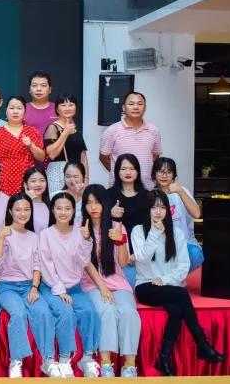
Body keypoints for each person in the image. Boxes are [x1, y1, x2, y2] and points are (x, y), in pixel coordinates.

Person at [131, 190, 223, 376]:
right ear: (147, 210)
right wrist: (154, 233)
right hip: (146, 286)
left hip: (169, 285)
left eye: (162, 207)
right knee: (181, 295)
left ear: (168, 210)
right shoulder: (138, 231)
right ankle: (202, 344)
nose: (158, 212)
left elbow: (183, 266)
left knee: (176, 309)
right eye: (154, 207)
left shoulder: (177, 233)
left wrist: (165, 280)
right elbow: (141, 258)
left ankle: (163, 359)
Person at [0, 193, 55, 378]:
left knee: (43, 311)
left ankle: (48, 360)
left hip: (28, 285)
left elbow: (37, 265)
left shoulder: (34, 237)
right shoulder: (2, 233)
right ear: (10, 211)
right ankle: (16, 361)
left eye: (27, 209)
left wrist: (34, 288)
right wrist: (1, 238)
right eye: (18, 209)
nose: (23, 213)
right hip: (6, 286)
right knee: (18, 313)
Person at [80, 184, 139, 378]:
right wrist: (84, 240)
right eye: (89, 203)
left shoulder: (117, 227)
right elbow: (82, 263)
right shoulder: (81, 228)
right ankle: (106, 364)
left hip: (118, 283)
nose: (93, 207)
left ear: (105, 203)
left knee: (129, 312)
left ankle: (129, 366)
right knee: (107, 310)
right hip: (91, 284)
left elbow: (122, 262)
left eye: (97, 202)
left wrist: (120, 241)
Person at [38, 192, 100, 378]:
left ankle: (87, 357)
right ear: (52, 210)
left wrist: (87, 241)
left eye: (67, 208)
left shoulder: (80, 231)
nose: (63, 212)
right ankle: (65, 360)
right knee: (65, 313)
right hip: (51, 287)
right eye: (59, 208)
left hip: (75, 287)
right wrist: (59, 290)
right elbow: (46, 265)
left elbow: (84, 261)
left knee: (89, 311)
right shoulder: (46, 234)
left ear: (74, 211)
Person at [99, 92, 162, 190]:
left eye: (140, 104)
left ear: (145, 107)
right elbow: (104, 157)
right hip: (119, 189)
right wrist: (119, 173)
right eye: (131, 104)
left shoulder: (153, 131)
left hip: (146, 188)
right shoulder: (112, 131)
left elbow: (155, 156)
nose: (136, 107)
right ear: (124, 107)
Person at [152, 157, 203, 272]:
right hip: (161, 245)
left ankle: (176, 277)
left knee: (195, 254)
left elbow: (197, 214)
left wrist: (180, 191)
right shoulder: (151, 195)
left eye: (169, 172)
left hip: (185, 243)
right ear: (154, 174)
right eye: (161, 171)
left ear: (174, 176)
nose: (164, 175)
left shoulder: (181, 191)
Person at [0, 96, 45, 196]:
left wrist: (31, 145)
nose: (15, 111)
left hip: (27, 178)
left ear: (25, 111)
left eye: (19, 108)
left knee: (26, 204)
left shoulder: (32, 131)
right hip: (4, 179)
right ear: (6, 110)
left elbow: (42, 157)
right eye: (12, 108)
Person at [108, 154, 148, 286]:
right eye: (123, 169)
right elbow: (98, 224)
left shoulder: (147, 196)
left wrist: (139, 254)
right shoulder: (108, 195)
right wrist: (109, 213)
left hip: (142, 254)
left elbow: (151, 228)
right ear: (117, 171)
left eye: (132, 168)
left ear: (138, 171)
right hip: (117, 255)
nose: (128, 172)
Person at [44, 93, 88, 194]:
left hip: (76, 173)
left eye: (71, 105)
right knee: (59, 201)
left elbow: (83, 158)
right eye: (63, 105)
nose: (67, 108)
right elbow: (52, 154)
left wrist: (86, 178)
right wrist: (65, 133)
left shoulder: (76, 129)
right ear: (57, 109)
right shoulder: (53, 128)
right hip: (58, 172)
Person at [24, 71, 57, 139]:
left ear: (50, 89)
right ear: (29, 89)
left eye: (43, 85)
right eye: (34, 85)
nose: (38, 89)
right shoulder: (22, 109)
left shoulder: (59, 108)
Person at [22, 167, 51, 233]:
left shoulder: (51, 205)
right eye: (33, 181)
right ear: (25, 184)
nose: (38, 184)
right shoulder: (18, 204)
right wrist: (29, 200)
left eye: (42, 180)